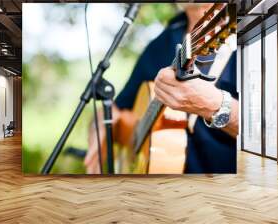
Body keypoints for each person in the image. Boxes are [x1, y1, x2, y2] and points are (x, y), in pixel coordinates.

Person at [84, 3, 238, 174]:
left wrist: (215, 106)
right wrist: (100, 125)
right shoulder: (160, 44)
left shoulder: (260, 33)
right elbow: (115, 108)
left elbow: (270, 137)